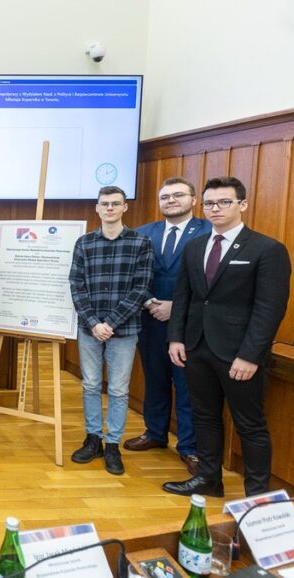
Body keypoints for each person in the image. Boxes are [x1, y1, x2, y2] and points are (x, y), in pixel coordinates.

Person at [164, 176, 291, 498]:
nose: (215, 208)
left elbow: (269, 309)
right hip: (196, 348)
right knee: (204, 417)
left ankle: (256, 496)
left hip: (238, 354)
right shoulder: (194, 247)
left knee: (250, 425)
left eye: (224, 202)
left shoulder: (267, 249)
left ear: (242, 204)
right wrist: (176, 337)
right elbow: (185, 296)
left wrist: (250, 356)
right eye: (209, 203)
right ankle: (208, 478)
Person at [126, 177, 211, 475]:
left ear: (193, 200)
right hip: (150, 320)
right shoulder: (142, 233)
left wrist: (176, 307)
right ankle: (155, 433)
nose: (171, 201)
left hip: (190, 324)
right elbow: (131, 275)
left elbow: (213, 280)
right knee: (155, 379)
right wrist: (150, 303)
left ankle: (189, 447)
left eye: (178, 195)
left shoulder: (208, 232)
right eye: (165, 197)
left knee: (188, 386)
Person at [68, 186, 154, 476]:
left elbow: (140, 289)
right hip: (89, 328)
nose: (109, 208)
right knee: (90, 384)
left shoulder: (141, 243)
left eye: (115, 204)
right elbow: (76, 286)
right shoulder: (84, 243)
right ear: (97, 208)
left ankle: (113, 443)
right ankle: (93, 439)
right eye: (104, 204)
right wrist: (94, 322)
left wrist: (111, 323)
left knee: (118, 389)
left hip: (125, 329)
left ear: (124, 207)